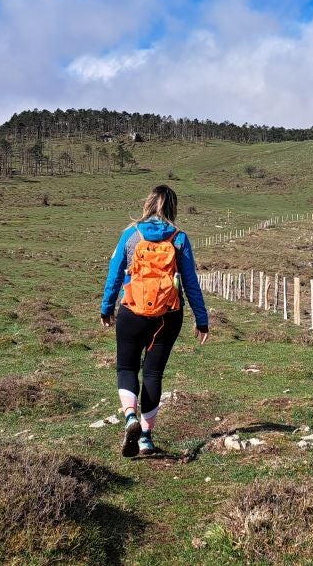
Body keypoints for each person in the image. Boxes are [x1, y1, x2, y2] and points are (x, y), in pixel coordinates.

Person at [100, 184, 209, 457]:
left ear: (148, 204)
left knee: (126, 367)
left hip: (131, 310)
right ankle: (146, 438)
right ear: (173, 207)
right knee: (153, 373)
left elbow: (114, 275)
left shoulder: (130, 234)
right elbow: (191, 283)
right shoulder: (179, 238)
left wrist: (106, 308)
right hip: (168, 315)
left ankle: (129, 418)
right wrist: (202, 318)